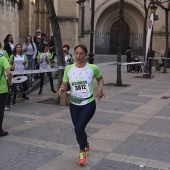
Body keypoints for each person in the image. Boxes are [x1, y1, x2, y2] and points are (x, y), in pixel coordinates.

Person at [58, 44, 105, 165]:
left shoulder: (92, 68)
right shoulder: (69, 69)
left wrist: (100, 89)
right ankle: (86, 145)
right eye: (76, 53)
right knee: (79, 129)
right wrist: (62, 88)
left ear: (86, 55)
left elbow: (100, 79)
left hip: (88, 103)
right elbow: (65, 83)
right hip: (74, 104)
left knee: (79, 128)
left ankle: (82, 151)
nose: (78, 56)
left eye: (81, 54)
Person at [0, 54, 12, 137]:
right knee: (0, 110)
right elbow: (9, 72)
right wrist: (9, 82)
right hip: (2, 89)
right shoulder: (2, 58)